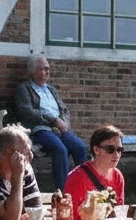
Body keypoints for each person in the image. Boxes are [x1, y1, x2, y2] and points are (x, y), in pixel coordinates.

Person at [49, 125, 127, 220]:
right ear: (96, 150)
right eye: (110, 150)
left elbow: (118, 213)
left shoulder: (118, 177)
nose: (116, 155)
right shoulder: (78, 177)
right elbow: (71, 219)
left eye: (119, 150)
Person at [14, 54, 87, 190]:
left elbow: (64, 109)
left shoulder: (51, 89)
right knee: (60, 149)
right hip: (40, 129)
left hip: (59, 129)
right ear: (32, 71)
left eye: (48, 69)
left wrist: (63, 123)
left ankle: (82, 186)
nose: (47, 72)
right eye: (43, 69)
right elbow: (27, 111)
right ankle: (63, 191)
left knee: (79, 147)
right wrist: (53, 120)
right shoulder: (24, 89)